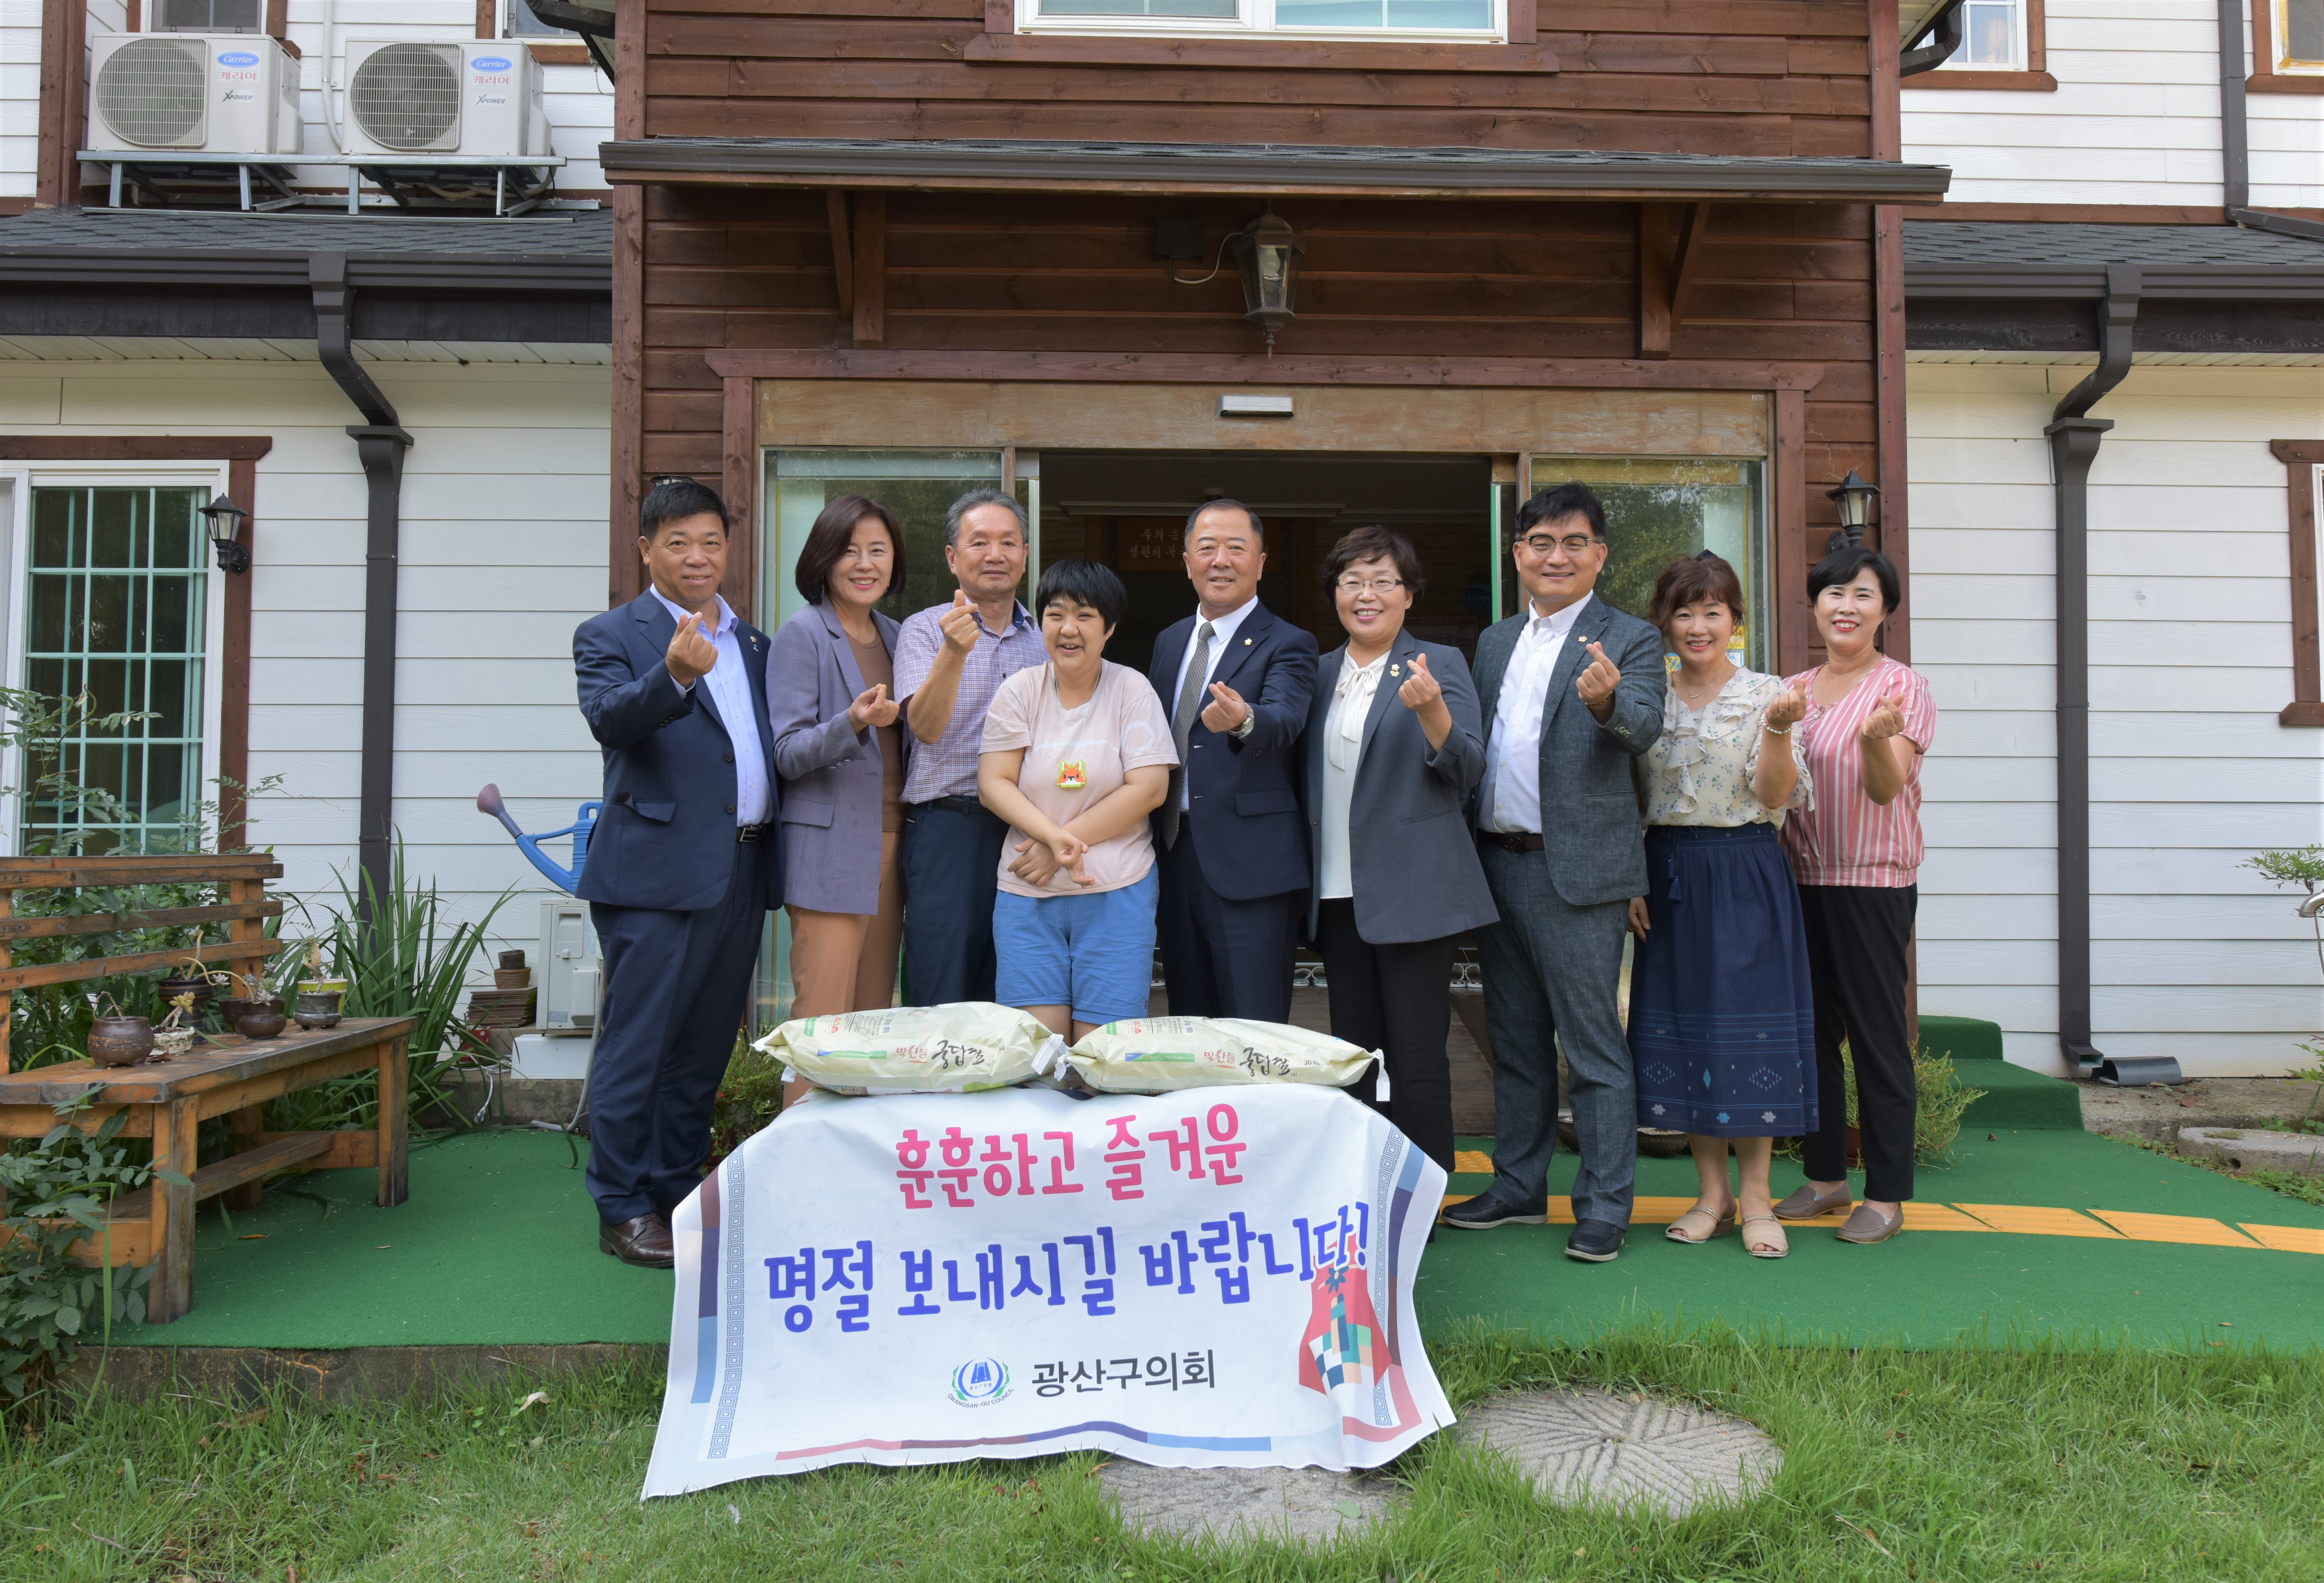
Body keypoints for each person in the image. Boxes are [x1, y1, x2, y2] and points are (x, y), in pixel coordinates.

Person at [1444, 481, 1665, 1264]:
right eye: (1540, 541)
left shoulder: (1628, 639)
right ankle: (1518, 1185)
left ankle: (1604, 1205)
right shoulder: (1496, 641)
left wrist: (1607, 704)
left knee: (1592, 1047)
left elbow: (1642, 730)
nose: (1556, 555)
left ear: (1599, 555)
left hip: (1579, 876)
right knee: (1515, 1042)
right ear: (1518, 554)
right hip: (1498, 864)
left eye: (1574, 542)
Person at [573, 476, 780, 1268]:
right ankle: (622, 1203)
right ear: (647, 550)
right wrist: (677, 675)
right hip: (653, 875)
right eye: (679, 542)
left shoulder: (754, 643)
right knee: (640, 1042)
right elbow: (611, 720)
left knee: (701, 1047)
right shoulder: (610, 633)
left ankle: (675, 1189)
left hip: (743, 864)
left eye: (711, 542)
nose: (698, 557)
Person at [1624, 551, 1816, 1260]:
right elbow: (1632, 798)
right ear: (1664, 622)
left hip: (1744, 868)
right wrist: (1631, 880)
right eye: (1683, 611)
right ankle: (1713, 1195)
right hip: (1667, 871)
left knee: (1748, 1032)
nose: (1698, 625)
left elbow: (1773, 798)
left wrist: (1776, 729)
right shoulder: (1650, 695)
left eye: (1713, 610)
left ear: (1736, 618)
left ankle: (1760, 1195)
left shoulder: (1771, 693)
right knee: (1688, 1032)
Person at [1300, 526, 1496, 1180]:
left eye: (1384, 581)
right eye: (1353, 581)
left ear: (1409, 595)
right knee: (1357, 1051)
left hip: (1415, 892)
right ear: (1335, 594)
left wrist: (1433, 712)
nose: (1367, 594)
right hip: (1335, 890)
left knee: (1415, 1053)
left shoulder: (1438, 663)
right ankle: (1363, 1184)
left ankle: (1424, 1191)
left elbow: (1469, 768)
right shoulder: (1320, 671)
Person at [1771, 543, 1937, 1246]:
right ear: (1814, 605)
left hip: (1871, 884)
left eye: (1863, 595)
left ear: (1885, 611)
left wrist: (1876, 740)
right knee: (1811, 1037)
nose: (1845, 606)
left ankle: (1889, 1193)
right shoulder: (1795, 687)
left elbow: (1882, 787)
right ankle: (1825, 1177)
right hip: (1798, 881)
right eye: (1833, 593)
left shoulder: (1902, 689)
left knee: (1875, 1041)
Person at [978, 558, 1177, 1039]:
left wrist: (1060, 846)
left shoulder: (1132, 689)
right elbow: (994, 781)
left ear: (1109, 627)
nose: (1069, 629)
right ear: (1041, 621)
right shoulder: (1019, 691)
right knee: (1037, 1052)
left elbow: (1150, 787)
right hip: (1028, 895)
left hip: (1116, 890)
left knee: (1102, 1054)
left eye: (1085, 616)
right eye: (1056, 614)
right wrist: (1049, 837)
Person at [1149, 499, 1318, 1024]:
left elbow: (1286, 717)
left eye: (1236, 548)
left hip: (1250, 865)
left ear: (1261, 563)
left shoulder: (1289, 642)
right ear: (1186, 561)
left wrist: (1245, 719)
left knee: (1254, 1025)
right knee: (1189, 1018)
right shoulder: (1170, 640)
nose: (1220, 560)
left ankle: (1259, 1113)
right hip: (1174, 853)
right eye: (1207, 548)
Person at [766, 494, 907, 1101]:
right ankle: (796, 1161)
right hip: (829, 847)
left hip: (897, 843)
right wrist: (850, 722)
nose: (865, 563)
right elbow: (787, 752)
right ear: (823, 559)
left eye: (878, 550)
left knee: (872, 1019)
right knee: (821, 1022)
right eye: (849, 550)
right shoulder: (802, 634)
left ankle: (852, 1163)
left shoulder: (900, 635)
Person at [892, 489, 1046, 1005]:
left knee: (1017, 985)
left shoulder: (1046, 641)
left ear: (1025, 554)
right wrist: (955, 652)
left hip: (1028, 831)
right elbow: (926, 728)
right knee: (943, 983)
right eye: (979, 542)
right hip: (949, 827)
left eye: (1008, 542)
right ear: (954, 558)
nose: (995, 554)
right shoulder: (924, 630)